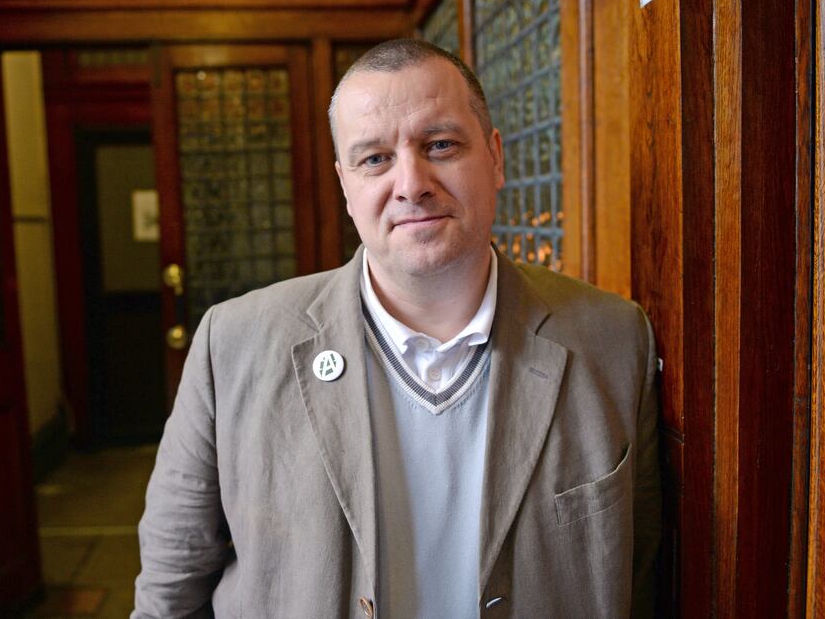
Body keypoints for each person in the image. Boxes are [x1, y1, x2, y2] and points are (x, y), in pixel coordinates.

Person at [132, 39, 661, 618]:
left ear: (495, 157)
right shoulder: (230, 345)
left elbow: (648, 576)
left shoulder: (613, 341)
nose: (411, 183)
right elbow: (169, 591)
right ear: (345, 184)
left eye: (440, 145)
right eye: (375, 159)